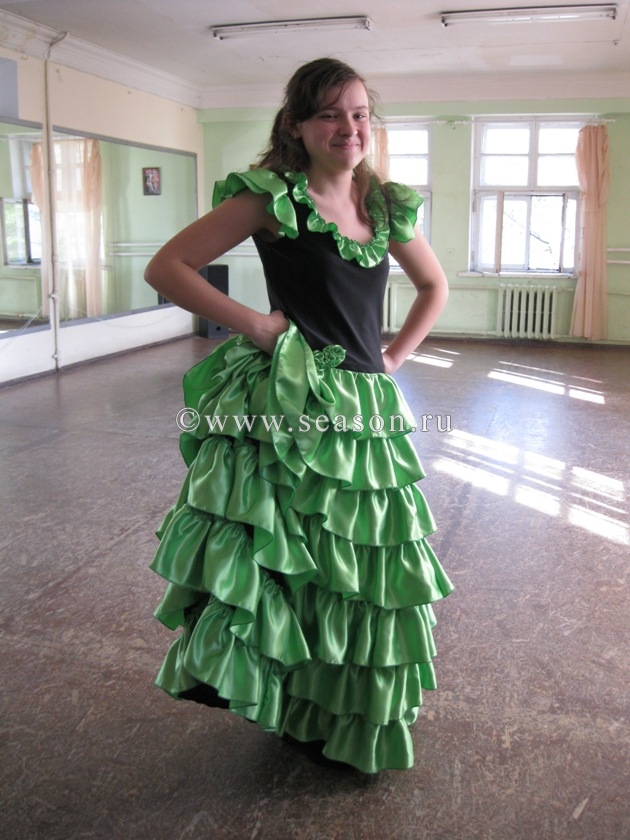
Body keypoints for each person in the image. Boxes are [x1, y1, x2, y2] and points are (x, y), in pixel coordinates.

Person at [144, 57, 453, 774]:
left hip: (363, 410)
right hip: (288, 404)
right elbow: (167, 268)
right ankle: (293, 705)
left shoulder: (384, 204)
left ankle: (339, 710)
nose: (349, 128)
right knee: (294, 561)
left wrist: (393, 357)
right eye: (330, 115)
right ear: (296, 125)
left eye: (359, 114)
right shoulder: (272, 198)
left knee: (360, 568)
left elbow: (433, 285)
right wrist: (255, 325)